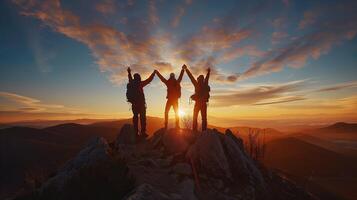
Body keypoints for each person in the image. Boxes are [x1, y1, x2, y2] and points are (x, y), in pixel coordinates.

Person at [126, 67, 155, 138]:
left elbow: (129, 77)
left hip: (134, 104)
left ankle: (135, 133)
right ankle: (143, 132)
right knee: (143, 118)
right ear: (139, 78)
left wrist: (129, 72)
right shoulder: (140, 84)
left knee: (135, 118)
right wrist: (153, 74)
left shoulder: (131, 83)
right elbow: (149, 80)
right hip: (141, 104)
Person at [184, 64, 210, 132]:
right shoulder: (205, 84)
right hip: (204, 104)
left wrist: (186, 69)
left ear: (198, 79)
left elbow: (191, 77)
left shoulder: (196, 84)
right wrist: (208, 72)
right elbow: (207, 77)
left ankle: (194, 131)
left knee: (195, 117)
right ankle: (204, 132)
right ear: (203, 79)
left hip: (197, 104)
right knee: (204, 118)